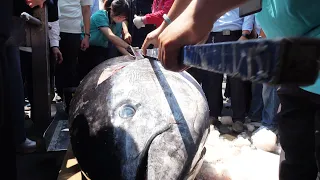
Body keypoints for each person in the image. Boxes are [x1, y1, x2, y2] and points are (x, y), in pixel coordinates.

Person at [142, 0, 320, 180]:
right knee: (295, 157)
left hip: (307, 59)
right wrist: (168, 24)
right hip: (295, 74)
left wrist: (202, 13)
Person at [78, 0, 132, 80]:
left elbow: (117, 42)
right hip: (87, 47)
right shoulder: (100, 15)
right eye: (121, 16)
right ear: (113, 11)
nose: (122, 19)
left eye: (124, 17)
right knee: (86, 76)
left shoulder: (118, 23)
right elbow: (111, 36)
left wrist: (129, 55)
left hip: (101, 49)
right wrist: (129, 47)